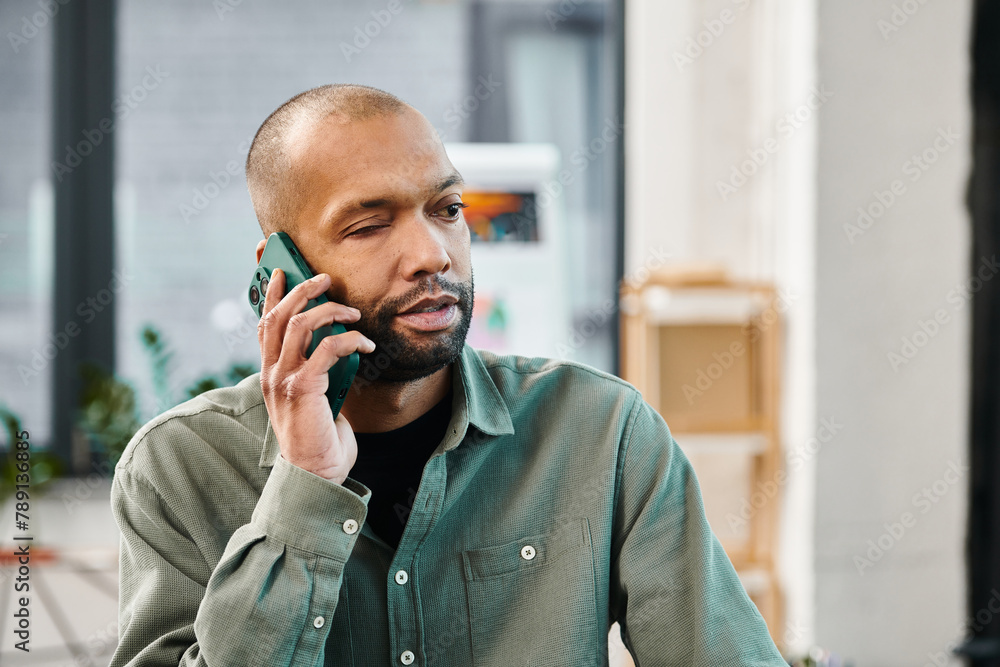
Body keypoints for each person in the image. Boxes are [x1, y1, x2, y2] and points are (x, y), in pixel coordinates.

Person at [110, 83, 788, 667]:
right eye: (369, 225)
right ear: (279, 269)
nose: (432, 254)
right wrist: (306, 488)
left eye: (448, 210)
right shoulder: (177, 468)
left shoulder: (603, 434)